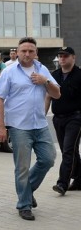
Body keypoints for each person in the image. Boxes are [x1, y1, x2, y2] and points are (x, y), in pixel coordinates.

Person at [0, 36, 60, 221]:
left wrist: (45, 81)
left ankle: (27, 192)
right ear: (17, 52)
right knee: (22, 167)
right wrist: (0, 126)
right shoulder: (9, 72)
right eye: (24, 51)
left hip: (40, 124)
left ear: (36, 52)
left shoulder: (42, 69)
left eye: (31, 51)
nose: (27, 54)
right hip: (19, 127)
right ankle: (24, 205)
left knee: (48, 159)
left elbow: (57, 94)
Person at [45, 47, 81, 194]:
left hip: (75, 118)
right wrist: (42, 116)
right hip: (58, 118)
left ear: (73, 57)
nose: (62, 58)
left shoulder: (79, 75)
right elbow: (48, 96)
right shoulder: (54, 75)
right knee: (71, 151)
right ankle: (79, 179)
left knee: (68, 151)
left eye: (65, 56)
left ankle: (62, 183)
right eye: (60, 56)